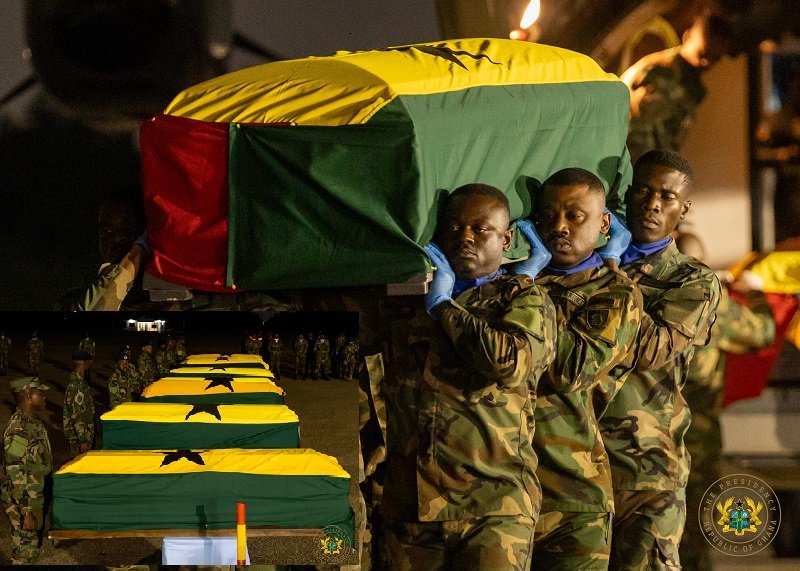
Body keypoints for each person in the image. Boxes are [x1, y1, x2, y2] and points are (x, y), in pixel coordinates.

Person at [381, 183, 557, 570]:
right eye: (454, 228)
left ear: (507, 238)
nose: (465, 237)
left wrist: (445, 307)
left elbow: (508, 363)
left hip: (494, 507)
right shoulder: (409, 300)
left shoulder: (523, 299)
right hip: (412, 504)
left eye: (481, 229)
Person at [600, 149, 721, 570]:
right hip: (574, 465)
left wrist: (612, 274)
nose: (652, 203)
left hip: (646, 470)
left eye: (667, 197)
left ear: (683, 208)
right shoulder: (583, 264)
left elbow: (649, 350)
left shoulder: (692, 280)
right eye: (644, 191)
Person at [527, 168, 644, 568]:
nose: (559, 227)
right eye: (547, 217)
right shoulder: (509, 284)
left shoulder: (615, 293)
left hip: (573, 497)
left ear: (604, 223)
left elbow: (571, 370)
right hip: (498, 492)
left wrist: (527, 293)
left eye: (575, 216)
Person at [674, 232, 776, 569]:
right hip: (697, 434)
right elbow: (761, 333)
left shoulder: (645, 292)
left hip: (645, 434)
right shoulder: (712, 301)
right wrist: (755, 293)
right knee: (693, 527)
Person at [622, 11, 731, 162]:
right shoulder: (659, 71)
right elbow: (637, 136)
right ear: (687, 37)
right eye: (703, 54)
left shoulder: (692, 86)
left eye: (715, 58)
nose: (707, 63)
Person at [1, 377, 53, 564]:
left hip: (35, 496)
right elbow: (15, 471)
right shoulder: (19, 429)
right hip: (25, 501)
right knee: (24, 554)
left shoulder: (33, 423)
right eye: (40, 393)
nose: (45, 396)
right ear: (28, 395)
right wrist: (25, 511)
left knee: (33, 551)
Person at [63, 349, 96, 458]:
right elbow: (76, 414)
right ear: (84, 363)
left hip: (83, 435)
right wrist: (83, 441)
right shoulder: (76, 386)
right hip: (78, 439)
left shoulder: (80, 383)